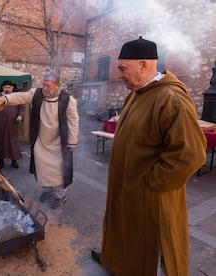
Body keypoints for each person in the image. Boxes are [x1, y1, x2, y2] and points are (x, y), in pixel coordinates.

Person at [91, 37, 207, 275]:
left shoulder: (171, 98)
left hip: (150, 197)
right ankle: (116, 262)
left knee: (149, 250)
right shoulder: (136, 93)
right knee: (125, 236)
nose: (119, 75)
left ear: (143, 65)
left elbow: (191, 153)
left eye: (123, 69)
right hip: (128, 190)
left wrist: (152, 182)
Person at [0, 70, 79, 209]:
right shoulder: (37, 93)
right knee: (42, 169)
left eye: (48, 85)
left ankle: (60, 195)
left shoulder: (68, 100)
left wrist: (72, 140)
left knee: (59, 172)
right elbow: (21, 97)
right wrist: (5, 99)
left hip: (59, 141)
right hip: (41, 140)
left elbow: (73, 120)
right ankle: (48, 192)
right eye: (43, 84)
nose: (45, 88)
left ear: (56, 85)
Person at [0, 80, 26, 169]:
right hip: (1, 123)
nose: (7, 89)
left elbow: (22, 108)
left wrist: (20, 115)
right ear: (2, 88)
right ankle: (1, 161)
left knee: (13, 142)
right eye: (5, 87)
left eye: (9, 87)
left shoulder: (17, 97)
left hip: (13, 123)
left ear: (12, 88)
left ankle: (14, 161)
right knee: (1, 142)